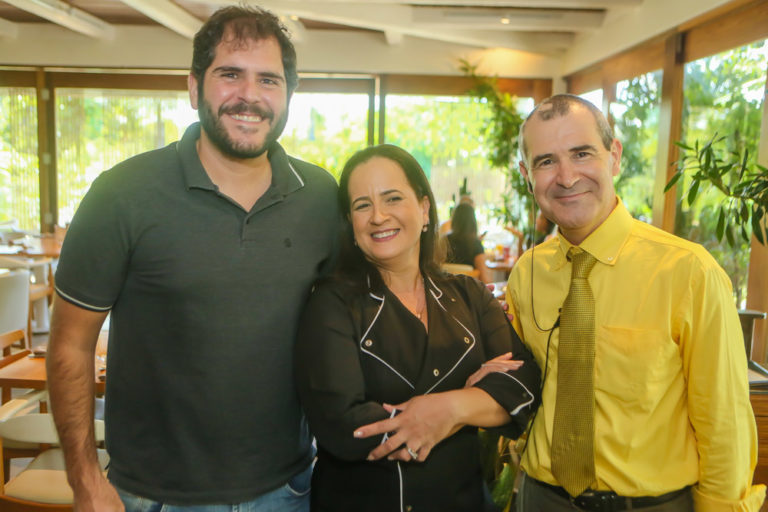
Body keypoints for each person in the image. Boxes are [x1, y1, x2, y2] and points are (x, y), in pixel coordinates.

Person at [46, 6, 339, 511]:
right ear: (193, 86)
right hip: (151, 497)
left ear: (288, 93)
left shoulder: (320, 197)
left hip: (288, 490)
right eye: (230, 75)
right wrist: (85, 480)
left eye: (268, 79)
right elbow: (70, 345)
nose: (249, 95)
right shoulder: (122, 194)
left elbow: (351, 322)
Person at [507, 94, 766, 511]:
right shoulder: (527, 273)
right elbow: (523, 389)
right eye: (546, 161)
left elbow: (724, 425)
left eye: (581, 153)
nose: (567, 176)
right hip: (540, 498)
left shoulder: (688, 272)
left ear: (614, 156)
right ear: (527, 174)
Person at [295, 144, 541, 512]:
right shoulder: (331, 303)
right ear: (350, 222)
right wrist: (475, 399)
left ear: (424, 209)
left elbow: (524, 381)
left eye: (392, 198)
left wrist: (451, 408)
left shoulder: (470, 294)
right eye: (362, 205)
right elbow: (345, 427)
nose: (378, 216)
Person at [445, 202, 492, 283]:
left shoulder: (443, 241)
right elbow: (485, 280)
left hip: (445, 292)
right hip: (468, 294)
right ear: (473, 221)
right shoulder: (475, 245)